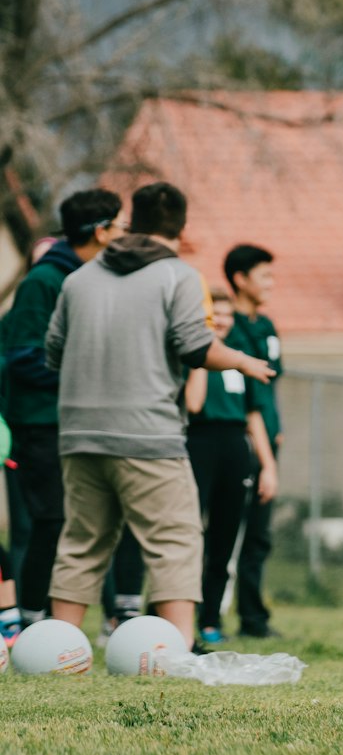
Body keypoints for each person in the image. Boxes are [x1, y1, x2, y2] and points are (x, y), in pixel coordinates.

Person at [45, 182, 274, 648]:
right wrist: (242, 360)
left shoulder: (79, 278)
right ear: (181, 228)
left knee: (81, 544)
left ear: (133, 222)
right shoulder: (178, 276)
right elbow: (194, 346)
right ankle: (178, 649)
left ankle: (58, 648)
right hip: (147, 436)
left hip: (79, 434)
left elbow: (54, 352)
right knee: (175, 540)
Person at [2, 190, 127, 625]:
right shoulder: (46, 281)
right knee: (51, 521)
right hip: (42, 425)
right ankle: (32, 621)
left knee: (84, 525)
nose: (124, 236)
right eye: (121, 228)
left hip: (79, 423)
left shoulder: (91, 278)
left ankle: (69, 621)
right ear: (100, 231)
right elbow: (21, 355)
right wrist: (85, 376)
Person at [185, 287, 278, 645]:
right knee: (189, 536)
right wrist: (201, 354)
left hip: (235, 447)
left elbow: (254, 415)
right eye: (213, 316)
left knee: (224, 540)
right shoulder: (190, 357)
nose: (220, 322)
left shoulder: (240, 358)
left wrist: (268, 467)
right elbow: (192, 404)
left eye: (224, 315)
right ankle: (171, 614)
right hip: (198, 443)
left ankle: (210, 620)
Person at [224, 245, 282, 640]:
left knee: (259, 534)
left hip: (268, 441)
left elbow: (271, 384)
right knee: (227, 532)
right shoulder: (226, 328)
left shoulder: (267, 327)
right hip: (238, 443)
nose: (270, 284)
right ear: (240, 279)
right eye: (264, 275)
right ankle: (210, 618)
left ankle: (252, 615)